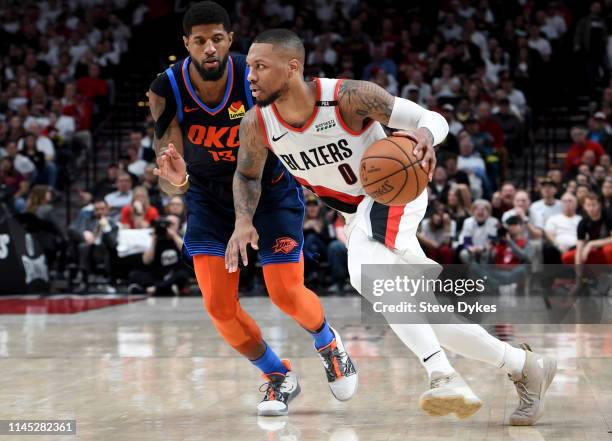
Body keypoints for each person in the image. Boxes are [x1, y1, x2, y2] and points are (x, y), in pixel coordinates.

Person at [221, 28, 555, 425]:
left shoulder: (347, 97)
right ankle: (523, 365)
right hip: (355, 213)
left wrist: (426, 136)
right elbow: (246, 176)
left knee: (366, 272)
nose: (250, 75)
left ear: (293, 67)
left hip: (394, 192)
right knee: (418, 312)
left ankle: (442, 375)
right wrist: (243, 220)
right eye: (250, 67)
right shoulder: (257, 124)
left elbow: (430, 118)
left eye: (260, 66)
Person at [148, 2, 355, 417]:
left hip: (270, 187)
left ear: (231, 39)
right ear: (186, 43)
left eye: (217, 39)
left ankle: (329, 344)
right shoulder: (165, 88)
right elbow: (170, 164)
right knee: (218, 308)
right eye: (200, 40)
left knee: (285, 293)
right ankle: (277, 375)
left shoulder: (254, 76)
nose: (209, 48)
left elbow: (300, 120)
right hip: (208, 197)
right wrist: (177, 178)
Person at [127, 215, 191, 295]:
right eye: (167, 224)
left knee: (183, 275)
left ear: (179, 227)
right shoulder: (157, 239)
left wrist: (174, 236)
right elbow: (146, 261)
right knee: (134, 274)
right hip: (158, 276)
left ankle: (150, 290)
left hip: (174, 274)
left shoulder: (181, 238)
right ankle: (166, 289)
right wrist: (154, 239)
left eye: (172, 224)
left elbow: (188, 253)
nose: (168, 226)